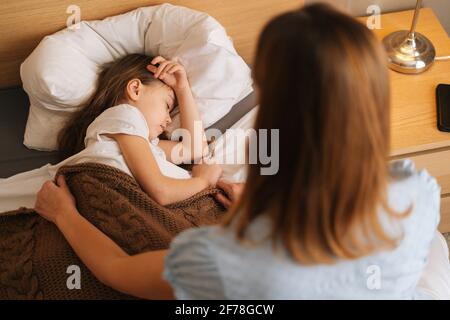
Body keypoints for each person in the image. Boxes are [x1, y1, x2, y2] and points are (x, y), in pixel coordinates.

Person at [34, 3, 450, 299]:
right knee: (435, 244)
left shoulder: (225, 257)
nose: (166, 120)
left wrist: (64, 215)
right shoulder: (417, 190)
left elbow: (118, 271)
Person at [1, 53, 222, 211]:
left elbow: (194, 149)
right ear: (135, 89)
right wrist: (203, 181)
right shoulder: (124, 116)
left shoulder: (145, 144)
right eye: (167, 105)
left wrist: (183, 89)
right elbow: (161, 192)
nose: (167, 120)